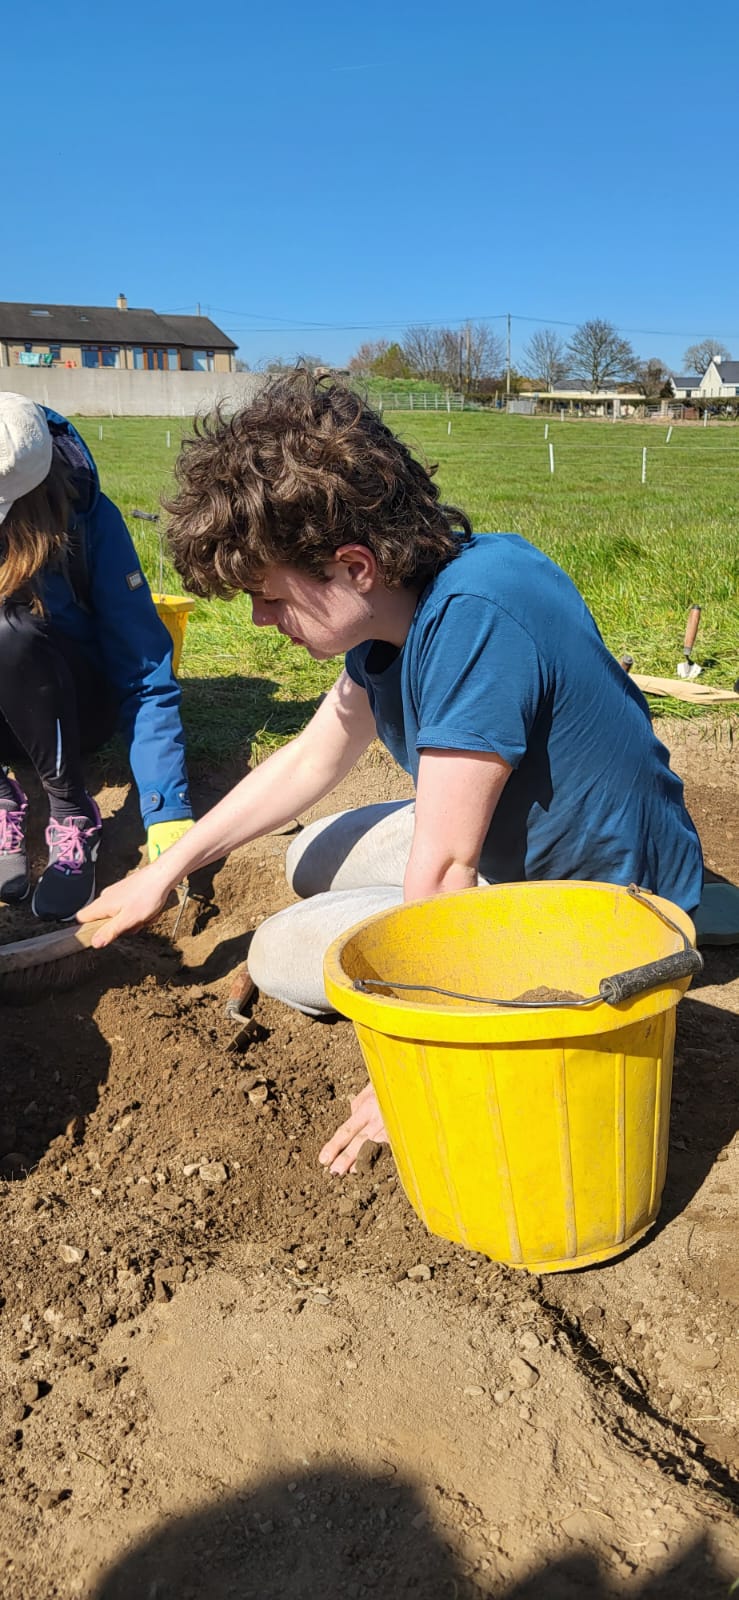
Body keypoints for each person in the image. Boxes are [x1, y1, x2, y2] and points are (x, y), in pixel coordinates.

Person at [79, 371, 703, 1174]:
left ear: (353, 565)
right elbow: (312, 757)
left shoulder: (474, 622)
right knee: (309, 856)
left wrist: (415, 1065)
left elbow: (442, 871)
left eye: (269, 597)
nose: (262, 621)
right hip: (536, 843)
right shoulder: (405, 608)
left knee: (276, 953)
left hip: (602, 912)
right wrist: (162, 872)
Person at [0, 393, 193, 920]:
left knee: (8, 629)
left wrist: (166, 807)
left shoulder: (88, 524)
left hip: (73, 708)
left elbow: (144, 668)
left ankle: (71, 810)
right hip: (9, 725)